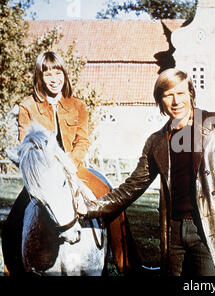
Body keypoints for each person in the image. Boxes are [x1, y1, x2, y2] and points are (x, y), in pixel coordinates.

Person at [83, 68, 215, 276]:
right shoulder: (157, 141)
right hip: (173, 233)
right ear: (160, 101)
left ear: (191, 94)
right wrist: (91, 208)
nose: (176, 101)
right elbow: (132, 186)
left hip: (209, 229)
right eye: (168, 95)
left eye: (180, 93)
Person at [1, 51, 141, 275]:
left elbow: (82, 140)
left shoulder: (78, 105)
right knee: (13, 220)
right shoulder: (27, 106)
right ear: (39, 77)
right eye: (48, 74)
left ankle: (123, 259)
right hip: (44, 175)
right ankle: (13, 266)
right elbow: (25, 143)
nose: (54, 79)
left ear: (64, 75)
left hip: (75, 168)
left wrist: (69, 164)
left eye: (58, 73)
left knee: (108, 197)